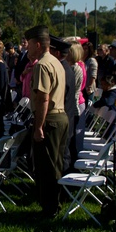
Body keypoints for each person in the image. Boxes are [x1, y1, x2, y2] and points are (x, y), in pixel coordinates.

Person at [25, 26, 69, 218]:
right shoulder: (55, 61)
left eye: (28, 44)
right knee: (55, 164)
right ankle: (54, 204)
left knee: (46, 166)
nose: (27, 48)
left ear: (37, 44)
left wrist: (39, 127)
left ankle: (49, 208)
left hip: (49, 118)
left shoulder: (42, 65)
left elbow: (43, 98)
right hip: (60, 116)